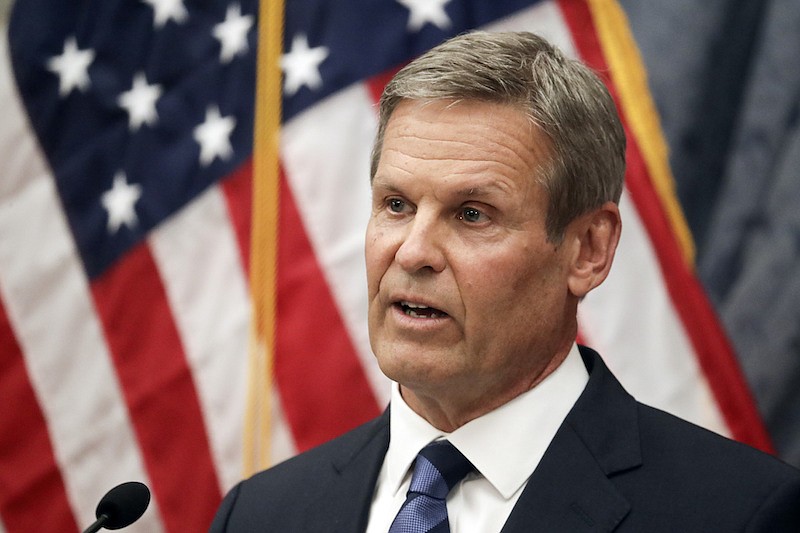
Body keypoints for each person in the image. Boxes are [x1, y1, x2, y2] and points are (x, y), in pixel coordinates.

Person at [210, 31, 800, 532]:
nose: (413, 252)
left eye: (472, 214)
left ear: (588, 250)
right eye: (395, 204)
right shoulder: (261, 514)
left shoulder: (739, 513)